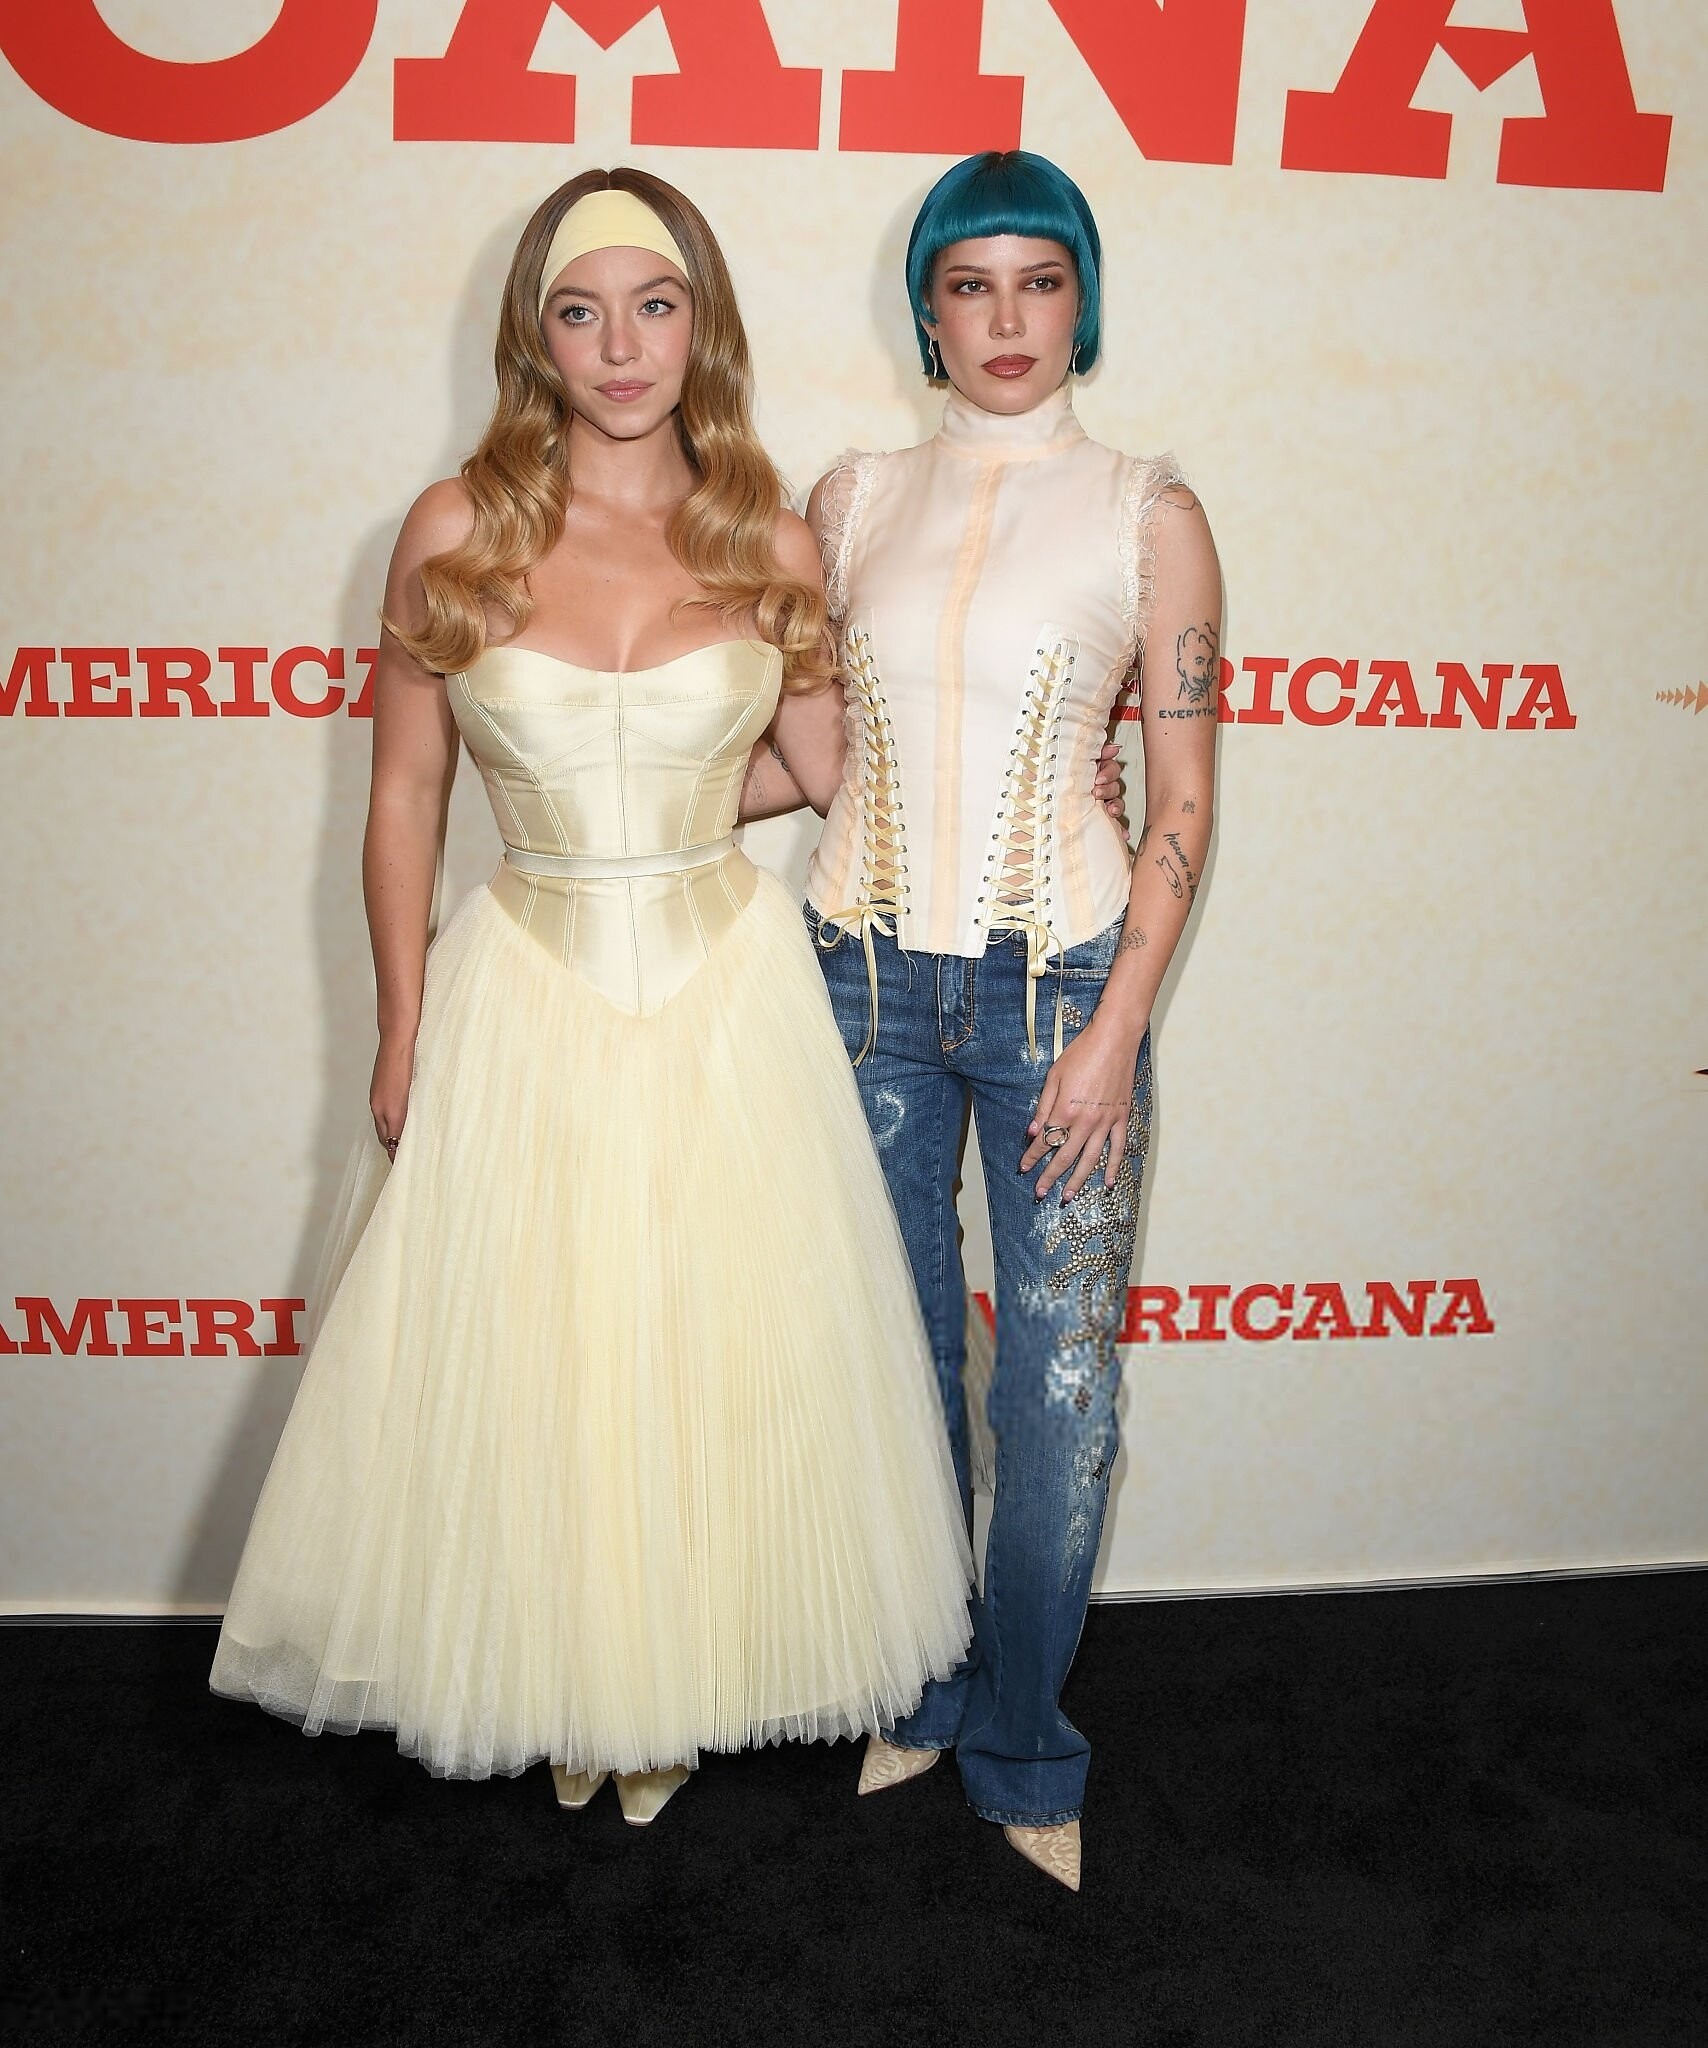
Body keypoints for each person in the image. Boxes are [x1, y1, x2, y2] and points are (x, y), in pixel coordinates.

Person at [210, 168, 975, 1825]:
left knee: (711, 1350)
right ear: (535, 338)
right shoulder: (453, 529)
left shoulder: (765, 539)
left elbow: (828, 770)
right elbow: (405, 795)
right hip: (527, 982)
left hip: (724, 992)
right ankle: (571, 1676)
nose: (620, 347)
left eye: (654, 306)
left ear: (701, 327)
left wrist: (1044, 767)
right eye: (581, 311)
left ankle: (675, 1689)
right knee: (543, 1353)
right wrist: (400, 1023)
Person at [802, 151, 1222, 1890]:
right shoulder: (846, 500)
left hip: (1066, 989)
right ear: (927, 310)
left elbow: (1184, 799)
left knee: (1056, 1395)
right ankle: (920, 1683)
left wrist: (1118, 1028)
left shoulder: (1150, 511)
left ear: (1082, 303)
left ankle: (1028, 1740)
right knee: (895, 1370)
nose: (1004, 318)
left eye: (1037, 282)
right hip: (861, 982)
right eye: (968, 284)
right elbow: (804, 741)